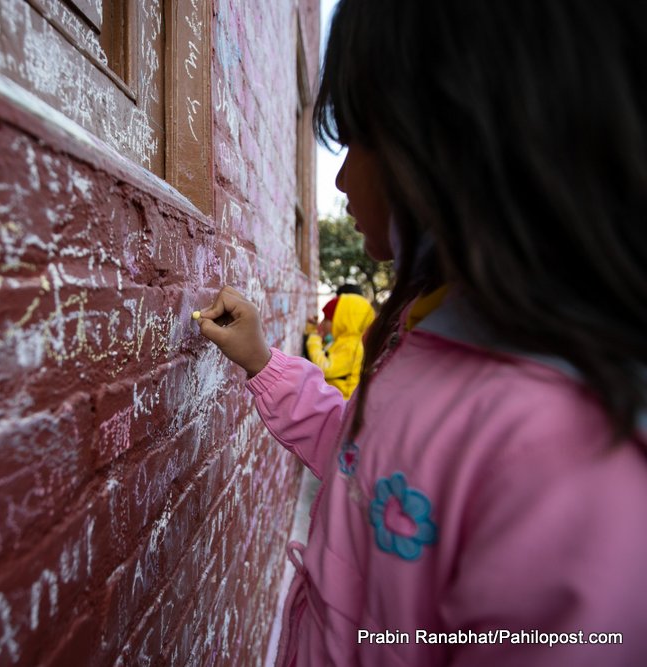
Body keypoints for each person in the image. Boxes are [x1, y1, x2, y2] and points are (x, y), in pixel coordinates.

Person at [194, 1, 647, 665]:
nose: (343, 179)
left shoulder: (577, 459)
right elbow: (364, 465)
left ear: (464, 139)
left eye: (360, 140)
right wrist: (263, 361)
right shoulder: (422, 333)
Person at [305, 292, 375, 399]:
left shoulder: (352, 347)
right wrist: (313, 331)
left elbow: (325, 368)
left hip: (340, 406)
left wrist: (314, 341)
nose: (323, 323)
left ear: (342, 322)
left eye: (327, 319)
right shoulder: (342, 341)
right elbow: (325, 352)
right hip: (331, 400)